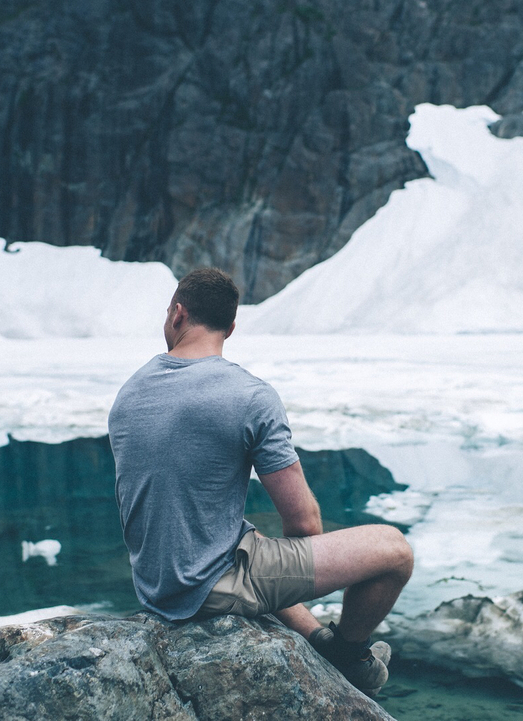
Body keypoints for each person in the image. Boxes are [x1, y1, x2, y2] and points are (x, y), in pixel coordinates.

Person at [109, 268, 413, 696]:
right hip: (206, 588)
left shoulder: (131, 390)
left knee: (253, 545)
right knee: (394, 551)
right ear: (231, 328)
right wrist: (299, 568)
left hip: (156, 583)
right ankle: (352, 654)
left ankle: (320, 642)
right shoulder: (249, 396)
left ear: (177, 314)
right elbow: (304, 526)